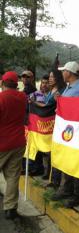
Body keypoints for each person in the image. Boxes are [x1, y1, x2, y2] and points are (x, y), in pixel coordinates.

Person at [50, 61, 79, 208]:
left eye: (64, 71)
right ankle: (67, 189)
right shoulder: (68, 88)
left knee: (77, 162)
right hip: (68, 132)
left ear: (70, 72)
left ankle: (78, 195)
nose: (62, 74)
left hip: (78, 133)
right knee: (67, 161)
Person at [31, 70, 66, 185]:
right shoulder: (52, 91)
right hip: (50, 126)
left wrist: (34, 104)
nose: (50, 79)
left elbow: (47, 106)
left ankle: (55, 179)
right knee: (51, 151)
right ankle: (51, 175)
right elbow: (46, 105)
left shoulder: (60, 91)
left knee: (54, 151)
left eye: (52, 77)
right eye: (49, 77)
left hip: (56, 124)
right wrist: (35, 103)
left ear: (57, 78)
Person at [0, 71, 27, 219]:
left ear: (2, 83)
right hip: (18, 142)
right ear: (16, 84)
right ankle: (10, 208)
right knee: (12, 177)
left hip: (2, 143)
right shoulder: (22, 97)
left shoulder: (1, 98)